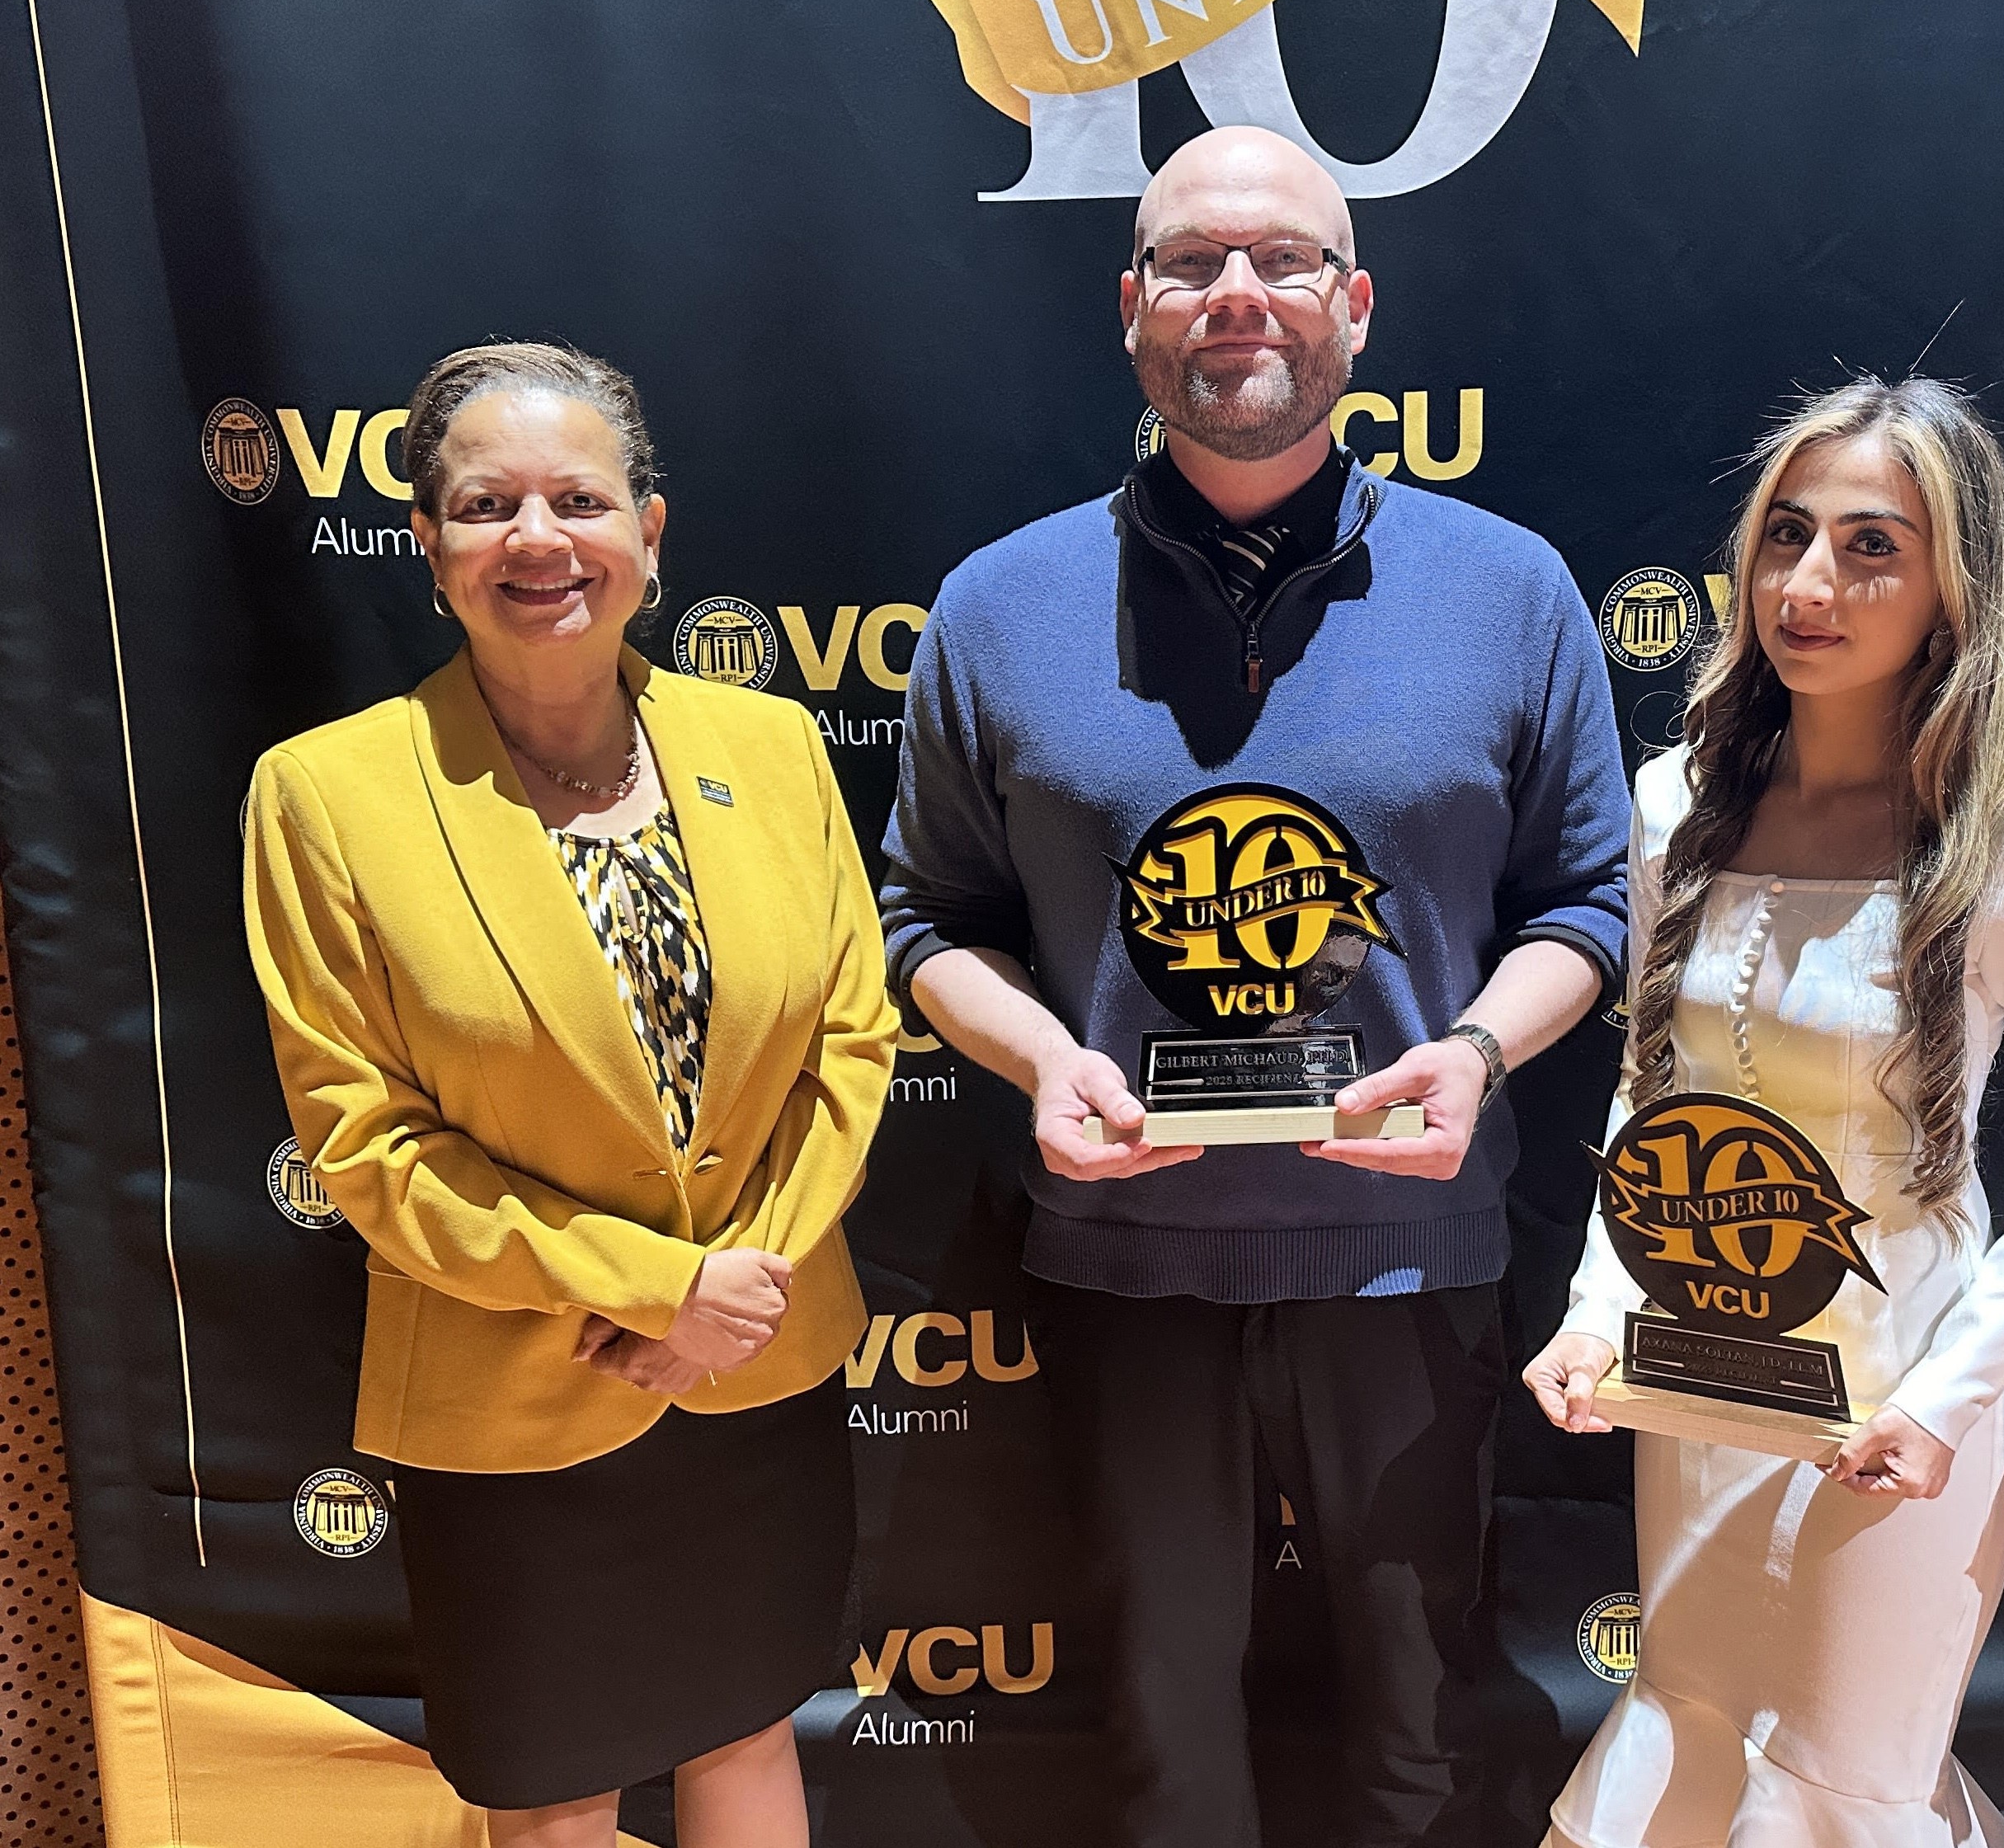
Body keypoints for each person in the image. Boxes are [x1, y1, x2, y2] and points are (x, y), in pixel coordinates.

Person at [880, 125, 1630, 1848]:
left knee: (1423, 1715)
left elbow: (1587, 900)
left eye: (1284, 259)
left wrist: (1473, 1050)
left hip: (1409, 1262)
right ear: (1128, 307)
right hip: (1126, 1268)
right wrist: (1044, 1058)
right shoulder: (998, 604)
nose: (1239, 295)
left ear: (1354, 307)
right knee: (1157, 1725)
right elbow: (928, 920)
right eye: (1191, 261)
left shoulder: (1509, 588)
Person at [243, 342, 897, 1848]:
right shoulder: (326, 795)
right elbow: (370, 1143)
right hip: (519, 1394)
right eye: (486, 505)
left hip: (760, 1362)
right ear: (428, 546)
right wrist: (658, 1287)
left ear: (649, 534)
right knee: (551, 1802)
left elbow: (849, 1047)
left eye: (579, 498)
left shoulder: (773, 744)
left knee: (745, 1734)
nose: (538, 538)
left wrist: (738, 1292)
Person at [1522, 376, 2004, 1847]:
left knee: (1839, 1782)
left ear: (1953, 588)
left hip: (1907, 1400)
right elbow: (1648, 1093)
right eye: (1787, 534)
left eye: (1873, 546)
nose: (1810, 583)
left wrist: (1946, 1401)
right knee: (1691, 1725)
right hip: (1701, 1380)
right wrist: (1596, 1307)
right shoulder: (1678, 798)